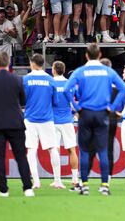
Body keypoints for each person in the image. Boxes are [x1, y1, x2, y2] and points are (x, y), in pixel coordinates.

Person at [63, 44, 125, 196]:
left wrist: (76, 107)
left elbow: (66, 90)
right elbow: (123, 89)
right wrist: (112, 107)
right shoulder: (107, 71)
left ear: (86, 55)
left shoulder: (80, 71)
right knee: (103, 150)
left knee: (85, 151)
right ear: (99, 54)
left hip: (85, 113)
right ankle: (105, 185)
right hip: (102, 114)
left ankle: (84, 185)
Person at [0, 52, 34, 197]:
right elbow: (23, 101)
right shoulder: (17, 79)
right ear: (8, 63)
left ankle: (3, 190)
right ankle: (27, 188)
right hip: (15, 122)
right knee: (21, 156)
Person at [22, 54, 62, 190]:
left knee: (32, 149)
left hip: (30, 119)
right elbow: (56, 101)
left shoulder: (26, 79)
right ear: (43, 64)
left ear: (32, 63)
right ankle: (57, 181)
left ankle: (36, 181)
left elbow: (22, 100)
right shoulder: (51, 80)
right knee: (52, 148)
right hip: (47, 119)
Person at [51, 61, 79, 190]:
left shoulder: (50, 83)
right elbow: (74, 102)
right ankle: (74, 179)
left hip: (53, 121)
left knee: (55, 150)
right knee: (71, 150)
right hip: (68, 120)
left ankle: (57, 180)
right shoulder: (70, 83)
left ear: (54, 70)